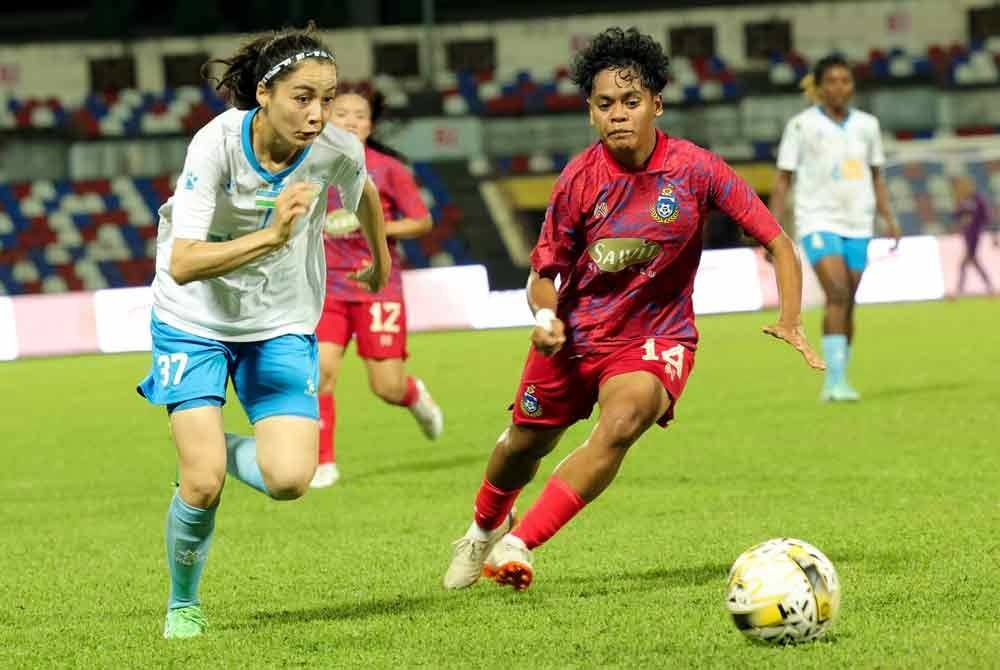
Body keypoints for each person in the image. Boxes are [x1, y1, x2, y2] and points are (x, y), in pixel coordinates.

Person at [441, 27, 824, 593]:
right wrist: (545, 318)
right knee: (524, 444)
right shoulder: (578, 179)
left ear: (656, 105)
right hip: (574, 336)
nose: (618, 114)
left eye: (630, 101)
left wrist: (790, 317)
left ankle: (519, 543)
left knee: (622, 421)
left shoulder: (696, 169)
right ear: (591, 113)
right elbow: (543, 275)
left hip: (657, 336)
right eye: (605, 104)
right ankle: (482, 530)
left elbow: (777, 242)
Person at [136, 24, 391, 638]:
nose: (317, 114)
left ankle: (206, 448)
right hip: (192, 317)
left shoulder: (335, 149)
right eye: (302, 98)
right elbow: (184, 261)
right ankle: (183, 605)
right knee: (201, 484)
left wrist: (380, 260)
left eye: (326, 99)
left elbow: (363, 194)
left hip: (279, 320)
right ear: (264, 94)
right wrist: (273, 236)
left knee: (289, 480)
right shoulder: (215, 145)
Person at [310, 88, 443, 489]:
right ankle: (323, 462)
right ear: (326, 118)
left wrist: (371, 225)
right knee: (319, 372)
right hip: (326, 288)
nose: (351, 121)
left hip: (376, 286)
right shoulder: (308, 164)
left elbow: (421, 221)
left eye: (360, 115)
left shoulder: (388, 170)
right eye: (342, 113)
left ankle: (413, 394)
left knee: (387, 386)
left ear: (370, 125)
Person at [769, 54, 901, 402]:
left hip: (859, 221)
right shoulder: (801, 126)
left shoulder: (868, 125)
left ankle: (841, 377)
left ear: (852, 86)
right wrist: (771, 231)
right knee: (838, 293)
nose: (839, 87)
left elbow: (876, 175)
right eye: (831, 81)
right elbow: (783, 180)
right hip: (817, 220)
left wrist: (889, 217)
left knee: (848, 300)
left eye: (845, 80)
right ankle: (833, 383)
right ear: (819, 87)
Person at [951, 174, 997, 296]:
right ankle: (990, 287)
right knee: (973, 261)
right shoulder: (961, 200)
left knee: (965, 261)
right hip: (966, 235)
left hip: (974, 234)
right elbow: (955, 216)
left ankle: (959, 289)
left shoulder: (977, 199)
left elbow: (986, 217)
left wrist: (993, 235)